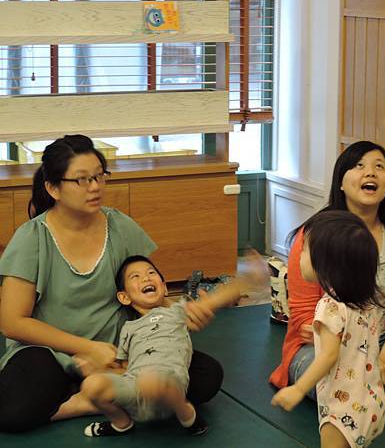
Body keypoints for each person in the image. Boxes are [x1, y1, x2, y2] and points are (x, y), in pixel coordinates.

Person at [0, 135, 223, 432]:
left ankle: (95, 394)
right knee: (13, 412)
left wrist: (180, 309)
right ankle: (94, 396)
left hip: (119, 353)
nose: (94, 187)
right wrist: (88, 350)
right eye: (81, 180)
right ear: (53, 188)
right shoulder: (32, 239)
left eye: (99, 176)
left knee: (206, 376)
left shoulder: (120, 226)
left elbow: (146, 288)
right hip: (52, 352)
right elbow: (12, 323)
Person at [269, 140, 385, 400]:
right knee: (313, 372)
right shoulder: (313, 235)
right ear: (341, 183)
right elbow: (303, 314)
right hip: (326, 348)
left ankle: (362, 387)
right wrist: (329, 336)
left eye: (379, 167)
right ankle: (381, 386)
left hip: (380, 338)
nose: (370, 172)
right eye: (358, 166)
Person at [82, 254, 266, 437]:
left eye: (151, 273)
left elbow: (216, 299)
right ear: (124, 297)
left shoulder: (177, 311)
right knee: (91, 385)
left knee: (155, 382)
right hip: (135, 386)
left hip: (170, 383)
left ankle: (187, 415)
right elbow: (124, 367)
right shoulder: (128, 328)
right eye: (135, 277)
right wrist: (99, 372)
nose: (145, 277)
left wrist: (246, 279)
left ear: (164, 288)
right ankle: (121, 423)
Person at [272, 210, 385, 448]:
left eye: (304, 250)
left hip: (341, 406)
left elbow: (328, 355)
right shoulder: (366, 302)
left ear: (325, 263)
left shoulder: (329, 306)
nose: (299, 256)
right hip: (372, 401)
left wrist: (298, 388)